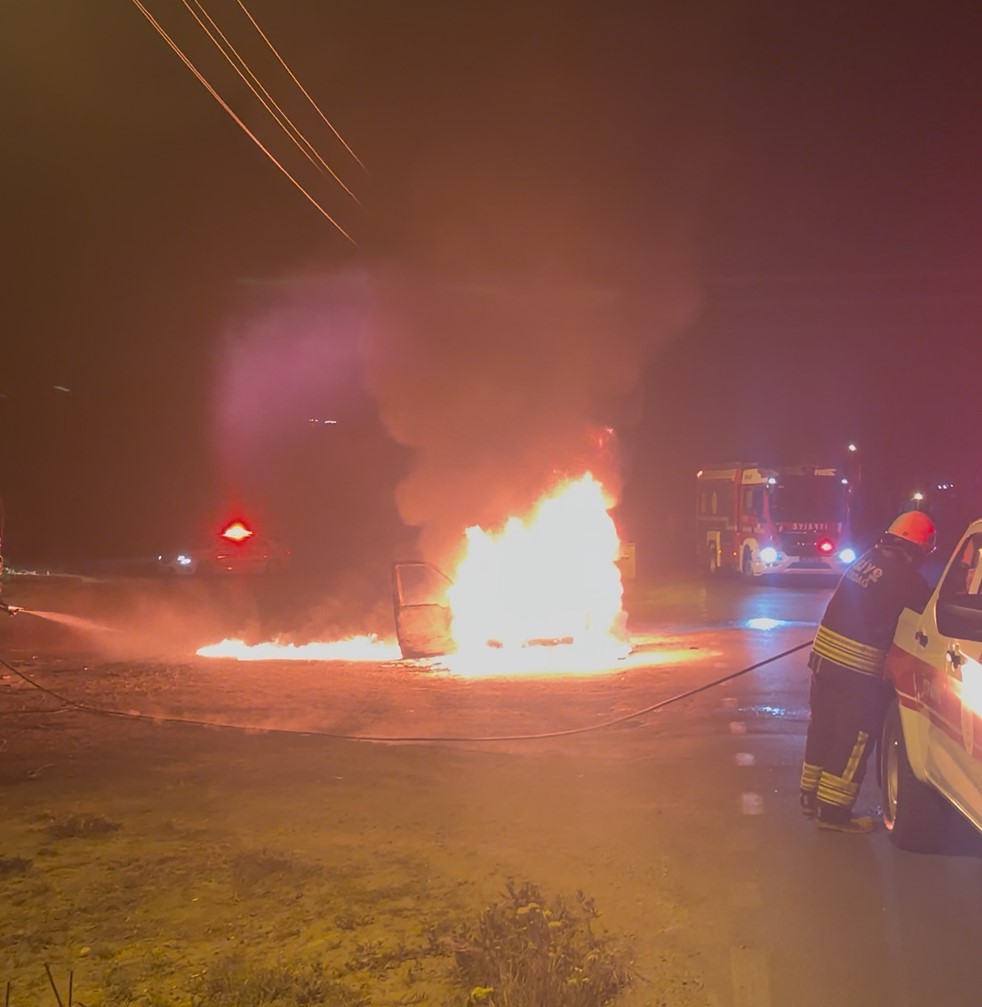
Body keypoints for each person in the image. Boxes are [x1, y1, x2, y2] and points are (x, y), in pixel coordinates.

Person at [799, 510, 936, 833]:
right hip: (855, 670)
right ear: (917, 548)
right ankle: (833, 813)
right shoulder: (907, 577)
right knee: (855, 737)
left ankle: (811, 796)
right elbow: (926, 616)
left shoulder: (868, 559)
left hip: (824, 661)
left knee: (824, 728)